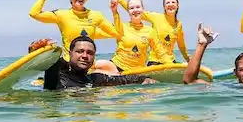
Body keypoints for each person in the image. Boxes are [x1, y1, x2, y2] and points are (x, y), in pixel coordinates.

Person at [29, 0, 119, 61]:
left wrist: (115, 12)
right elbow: (34, 13)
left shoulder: (96, 15)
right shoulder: (62, 15)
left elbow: (116, 33)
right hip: (68, 66)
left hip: (88, 66)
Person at [28, 36, 157, 90]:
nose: (85, 56)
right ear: (70, 53)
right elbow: (43, 58)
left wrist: (145, 79)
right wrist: (35, 49)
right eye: (80, 51)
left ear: (94, 58)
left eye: (90, 53)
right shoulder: (58, 70)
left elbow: (124, 79)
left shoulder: (94, 79)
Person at [106, 0, 189, 65]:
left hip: (170, 61)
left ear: (178, 5)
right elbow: (134, 10)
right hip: (155, 61)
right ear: (164, 6)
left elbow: (181, 46)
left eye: (173, 2)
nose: (170, 4)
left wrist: (189, 60)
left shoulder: (179, 25)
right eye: (167, 2)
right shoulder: (156, 17)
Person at [93, 0, 161, 74]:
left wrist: (169, 64)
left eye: (138, 7)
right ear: (128, 11)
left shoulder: (150, 31)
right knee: (99, 65)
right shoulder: (122, 27)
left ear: (142, 9)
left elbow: (159, 51)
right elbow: (101, 32)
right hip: (117, 66)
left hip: (137, 71)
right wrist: (114, 11)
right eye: (131, 8)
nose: (135, 10)